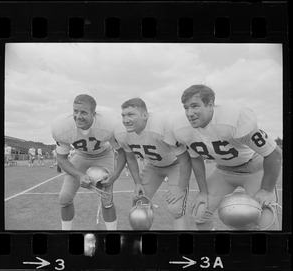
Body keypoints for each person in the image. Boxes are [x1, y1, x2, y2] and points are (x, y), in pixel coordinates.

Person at [166, 84, 282, 230]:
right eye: (186, 108)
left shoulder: (235, 119)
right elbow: (196, 158)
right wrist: (202, 192)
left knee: (268, 222)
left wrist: (266, 190)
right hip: (223, 171)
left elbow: (274, 153)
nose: (189, 113)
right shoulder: (182, 128)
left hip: (254, 169)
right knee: (200, 213)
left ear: (210, 105)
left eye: (195, 106)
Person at [114, 98, 192, 230]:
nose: (125, 120)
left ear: (145, 115)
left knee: (176, 207)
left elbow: (185, 158)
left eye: (131, 115)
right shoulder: (121, 132)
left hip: (175, 164)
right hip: (153, 166)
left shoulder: (163, 125)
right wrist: (138, 182)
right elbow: (130, 158)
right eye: (123, 115)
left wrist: (181, 187)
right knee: (138, 204)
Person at [51, 94, 126, 230]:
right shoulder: (62, 127)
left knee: (106, 199)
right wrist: (80, 175)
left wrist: (114, 176)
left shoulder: (109, 124)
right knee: (64, 197)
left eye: (84, 112)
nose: (78, 116)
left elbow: (122, 152)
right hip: (80, 155)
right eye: (75, 111)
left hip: (104, 154)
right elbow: (61, 158)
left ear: (94, 114)